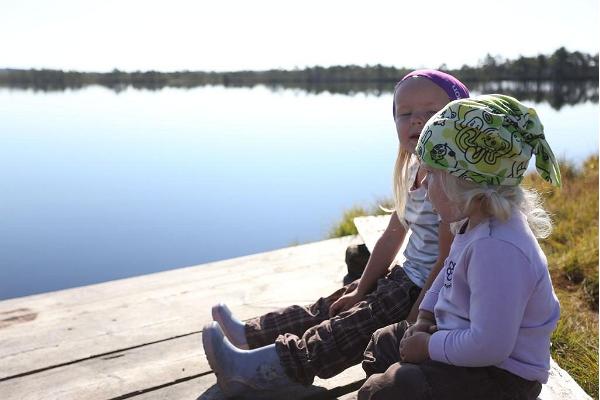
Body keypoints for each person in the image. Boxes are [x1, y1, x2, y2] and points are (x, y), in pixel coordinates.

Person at [201, 70, 470, 397]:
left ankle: (265, 371)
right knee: (333, 305)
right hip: (405, 279)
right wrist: (362, 288)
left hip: (423, 291)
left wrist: (417, 318)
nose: (417, 121)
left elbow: (447, 261)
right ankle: (251, 336)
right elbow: (390, 238)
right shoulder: (414, 169)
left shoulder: (449, 182)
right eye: (406, 113)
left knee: (346, 330)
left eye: (431, 112)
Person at [357, 94, 562, 400]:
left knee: (383, 391)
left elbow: (490, 346)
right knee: (383, 342)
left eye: (433, 174)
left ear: (467, 181)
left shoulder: (498, 249)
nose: (424, 186)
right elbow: (448, 273)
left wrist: (428, 346)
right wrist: (425, 316)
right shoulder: (474, 221)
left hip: (501, 376)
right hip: (463, 341)